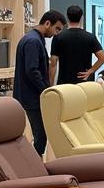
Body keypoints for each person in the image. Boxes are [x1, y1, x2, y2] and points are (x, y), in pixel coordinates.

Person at [13, 9, 66, 155]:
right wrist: (46, 90)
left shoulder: (35, 39)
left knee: (40, 135)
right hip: (32, 97)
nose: (57, 33)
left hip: (32, 96)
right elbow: (32, 70)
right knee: (41, 135)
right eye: (57, 29)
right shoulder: (32, 41)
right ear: (47, 23)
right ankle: (35, 167)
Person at [49, 5, 104, 85]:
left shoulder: (58, 37)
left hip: (65, 82)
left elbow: (53, 63)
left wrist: (50, 85)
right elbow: (103, 57)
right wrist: (91, 71)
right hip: (85, 82)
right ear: (82, 18)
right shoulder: (90, 37)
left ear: (67, 17)